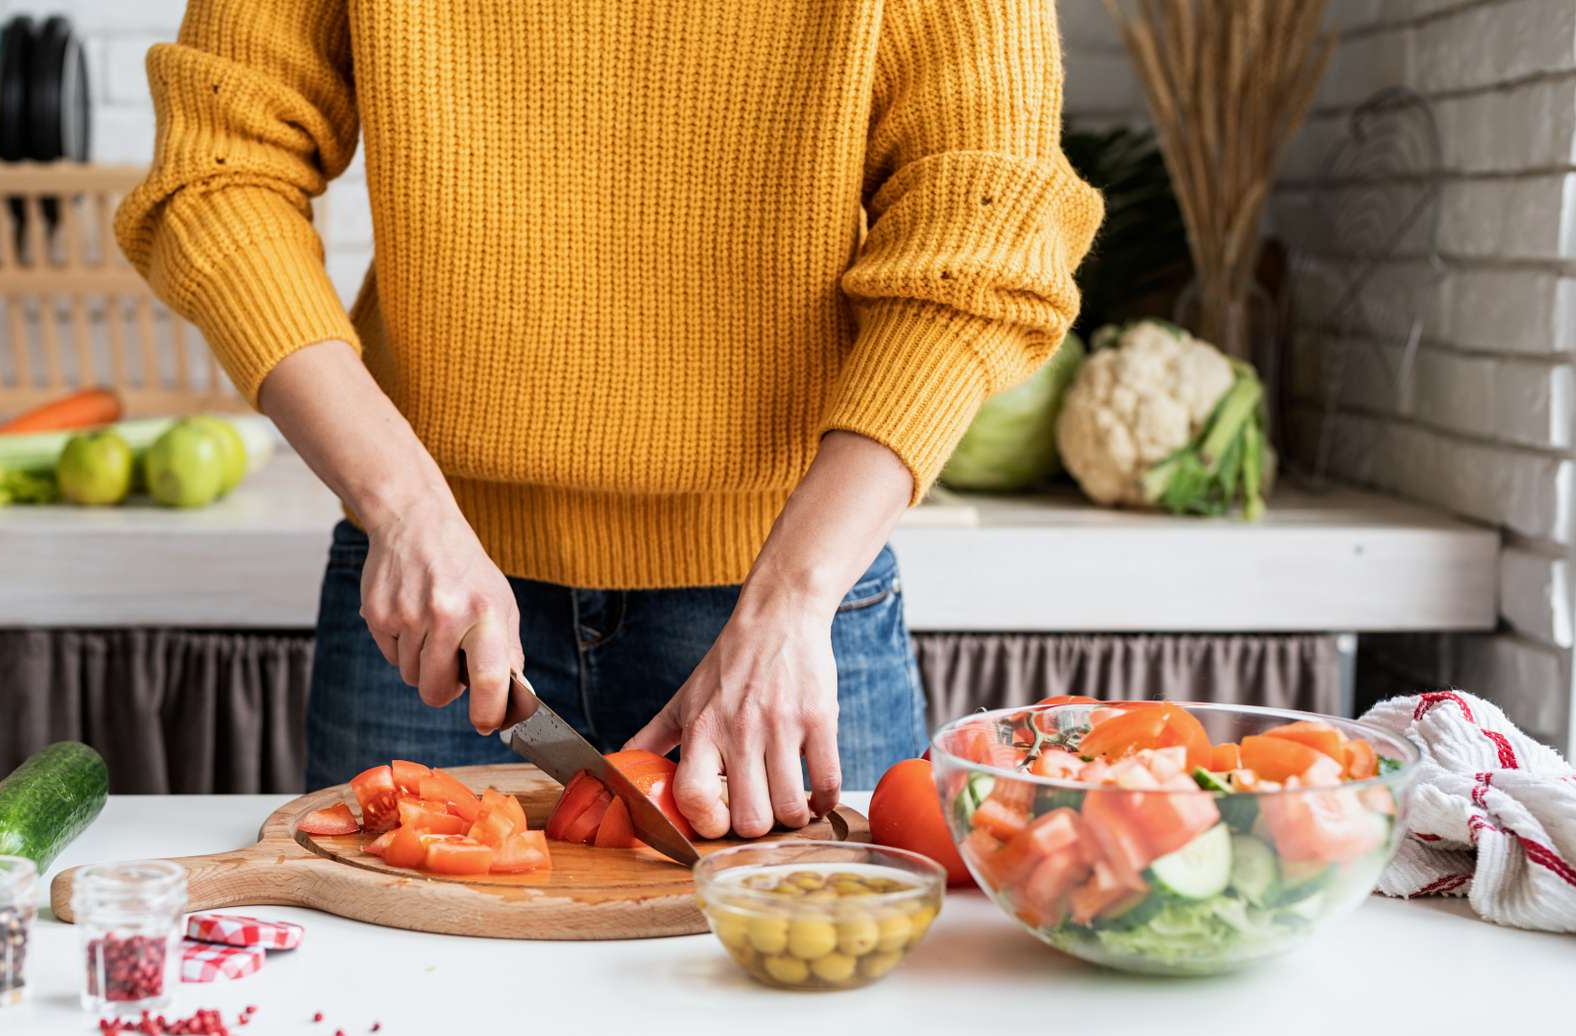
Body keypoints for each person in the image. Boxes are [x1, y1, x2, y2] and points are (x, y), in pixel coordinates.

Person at [118, 1, 1101, 838]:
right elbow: (220, 175)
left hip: (788, 610)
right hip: (439, 604)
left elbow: (985, 231)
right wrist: (405, 505)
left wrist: (792, 595)